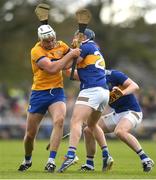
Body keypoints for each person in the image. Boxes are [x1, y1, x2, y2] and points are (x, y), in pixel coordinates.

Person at [18, 24, 80, 172]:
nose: (51, 43)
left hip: (57, 92)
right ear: (41, 40)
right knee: (30, 134)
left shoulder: (61, 46)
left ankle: (51, 160)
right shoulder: (36, 51)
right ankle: (28, 159)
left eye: (53, 40)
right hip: (39, 93)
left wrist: (75, 50)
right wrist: (70, 55)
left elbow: (71, 63)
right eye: (47, 41)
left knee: (59, 121)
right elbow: (52, 69)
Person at [58, 29, 114, 172]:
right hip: (103, 92)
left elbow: (67, 64)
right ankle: (105, 155)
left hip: (92, 91)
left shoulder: (85, 46)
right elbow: (76, 74)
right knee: (92, 125)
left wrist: (67, 53)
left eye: (77, 35)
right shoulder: (93, 49)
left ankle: (71, 154)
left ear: (84, 37)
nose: (74, 37)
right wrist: (67, 61)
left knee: (75, 121)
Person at [81, 69, 154, 172]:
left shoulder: (114, 75)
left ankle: (145, 159)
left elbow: (134, 86)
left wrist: (122, 93)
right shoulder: (93, 81)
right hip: (117, 114)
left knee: (120, 131)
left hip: (132, 112)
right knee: (88, 130)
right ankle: (89, 164)